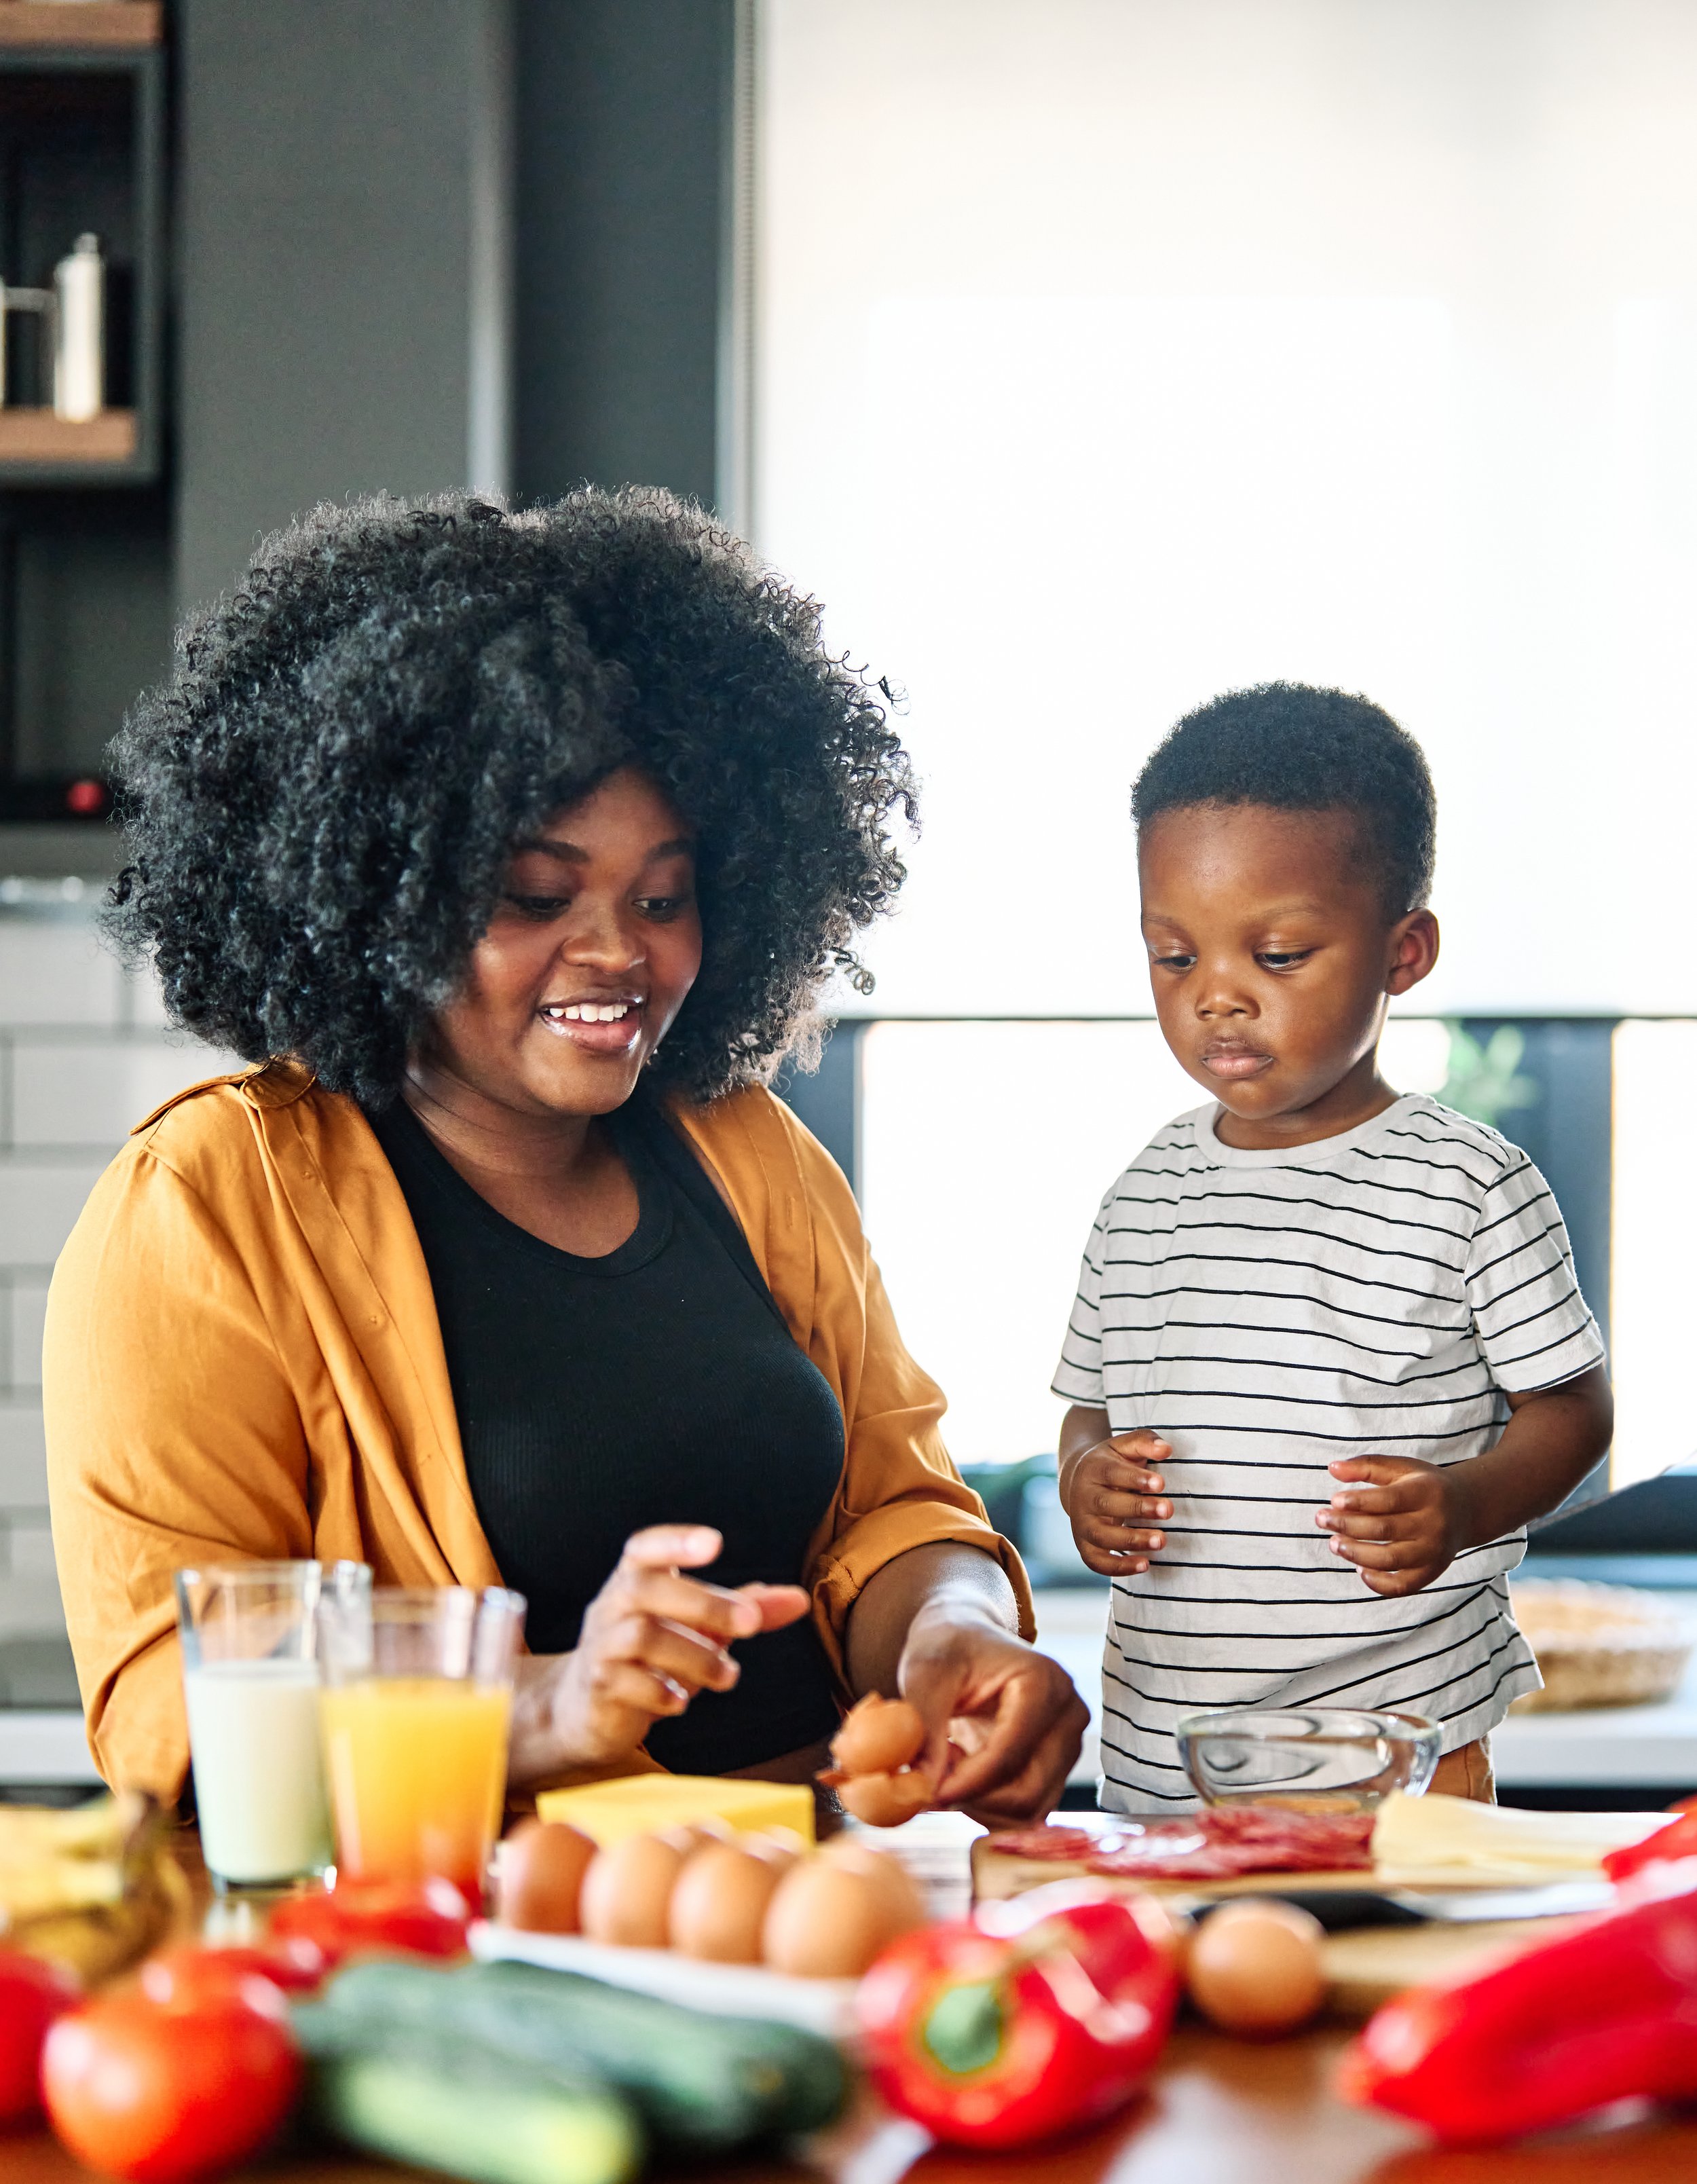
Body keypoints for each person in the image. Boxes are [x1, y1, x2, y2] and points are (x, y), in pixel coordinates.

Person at [45, 487, 1086, 1819]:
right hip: (499, 1950)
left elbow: (896, 1503)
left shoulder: (744, 1149)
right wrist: (545, 1699)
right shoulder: (207, 1204)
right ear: (381, 888)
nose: (617, 953)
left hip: (826, 1888)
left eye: (664, 895)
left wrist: (950, 1635)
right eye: (535, 896)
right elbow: (164, 1704)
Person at [1052, 683, 1611, 1812]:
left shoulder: (1469, 1182)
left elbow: (1576, 1412)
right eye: (1173, 957)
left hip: (1405, 1742)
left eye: (1279, 953)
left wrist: (1465, 1502)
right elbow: (1091, 1407)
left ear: (1404, 953)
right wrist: (1081, 1477)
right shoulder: (1145, 1192)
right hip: (1171, 1757)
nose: (1218, 998)